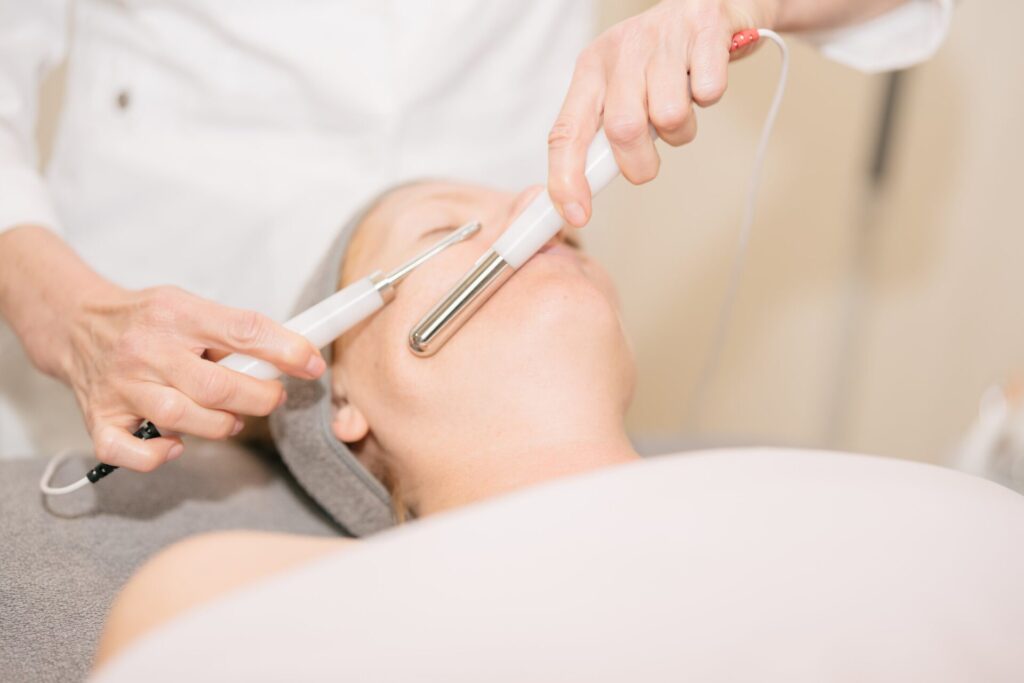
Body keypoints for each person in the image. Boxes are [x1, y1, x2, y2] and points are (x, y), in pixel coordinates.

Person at [91, 179, 1024, 681]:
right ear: (340, 399)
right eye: (448, 226)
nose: (528, 220)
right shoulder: (223, 593)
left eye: (553, 223)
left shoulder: (891, 504)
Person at [0, 1, 952, 469]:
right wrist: (67, 315)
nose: (504, 236)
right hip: (126, 303)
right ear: (346, 409)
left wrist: (736, 5)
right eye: (447, 239)